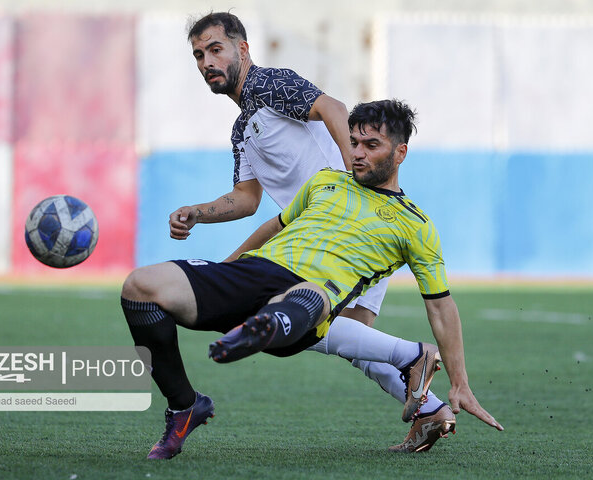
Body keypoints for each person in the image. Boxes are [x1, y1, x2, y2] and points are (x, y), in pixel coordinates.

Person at [122, 99, 503, 459]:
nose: (357, 152)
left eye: (371, 145)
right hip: (256, 271)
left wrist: (460, 382)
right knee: (140, 286)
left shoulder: (415, 225)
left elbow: (440, 305)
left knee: (306, 296)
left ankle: (269, 325)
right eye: (354, 142)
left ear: (400, 153)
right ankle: (184, 405)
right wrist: (226, 268)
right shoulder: (325, 182)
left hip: (314, 300)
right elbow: (275, 225)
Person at [171, 11, 450, 450]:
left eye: (216, 49)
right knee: (349, 344)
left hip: (343, 233)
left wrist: (350, 183)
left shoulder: (269, 83)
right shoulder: (243, 128)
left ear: (243, 49)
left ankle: (419, 368)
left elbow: (333, 108)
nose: (207, 61)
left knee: (308, 329)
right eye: (199, 55)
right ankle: (431, 407)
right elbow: (247, 199)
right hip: (317, 242)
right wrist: (198, 213)